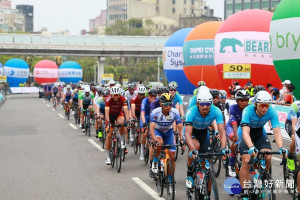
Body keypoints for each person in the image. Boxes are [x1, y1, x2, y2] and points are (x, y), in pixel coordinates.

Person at [238, 91, 287, 198]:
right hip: (246, 133)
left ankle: (263, 178)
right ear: (255, 104)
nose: (265, 108)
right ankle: (244, 191)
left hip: (260, 133)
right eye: (262, 105)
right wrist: (251, 147)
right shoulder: (248, 110)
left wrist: (281, 147)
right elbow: (245, 132)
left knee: (268, 156)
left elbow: (277, 131)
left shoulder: (271, 111)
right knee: (246, 161)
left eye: (267, 105)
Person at [185, 91, 230, 190]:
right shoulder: (191, 111)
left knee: (207, 164)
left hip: (204, 133)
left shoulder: (216, 111)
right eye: (202, 104)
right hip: (192, 132)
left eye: (207, 104)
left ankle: (207, 194)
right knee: (195, 146)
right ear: (197, 104)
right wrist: (192, 149)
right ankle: (190, 171)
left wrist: (223, 148)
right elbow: (187, 133)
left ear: (211, 104)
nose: (205, 107)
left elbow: (222, 132)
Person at [150, 93, 184, 193]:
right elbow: (151, 128)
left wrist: (182, 139)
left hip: (168, 132)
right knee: (159, 142)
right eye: (166, 105)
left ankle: (170, 179)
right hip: (157, 131)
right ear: (161, 104)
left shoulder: (175, 112)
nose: (168, 107)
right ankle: (155, 161)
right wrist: (154, 140)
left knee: (172, 156)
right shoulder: (155, 112)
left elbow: (180, 127)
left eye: (170, 104)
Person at [225, 90, 250, 177]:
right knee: (235, 141)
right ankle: (231, 163)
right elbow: (234, 125)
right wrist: (237, 138)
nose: (244, 102)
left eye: (246, 100)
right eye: (241, 100)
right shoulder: (232, 107)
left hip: (244, 127)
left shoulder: (250, 108)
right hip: (232, 127)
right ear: (237, 101)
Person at [104, 86, 129, 165]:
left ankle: (121, 140)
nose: (116, 97)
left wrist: (127, 120)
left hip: (118, 114)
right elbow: (106, 112)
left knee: (122, 122)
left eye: (117, 95)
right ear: (111, 95)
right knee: (109, 134)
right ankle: (108, 156)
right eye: (114, 95)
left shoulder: (123, 99)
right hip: (110, 116)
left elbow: (126, 110)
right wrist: (108, 122)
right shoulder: (108, 99)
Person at [140, 88, 158, 161]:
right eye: (151, 96)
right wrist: (144, 123)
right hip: (146, 116)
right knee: (144, 133)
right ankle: (142, 150)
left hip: (153, 117)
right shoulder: (144, 101)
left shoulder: (157, 101)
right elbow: (142, 113)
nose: (153, 97)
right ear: (148, 96)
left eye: (154, 96)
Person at [284, 101, 300, 171]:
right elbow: (294, 124)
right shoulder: (295, 105)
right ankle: (290, 156)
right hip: (291, 123)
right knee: (294, 139)